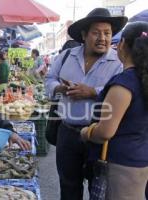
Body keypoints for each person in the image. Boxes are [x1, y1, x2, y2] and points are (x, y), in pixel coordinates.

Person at [45, 8, 127, 200]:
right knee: (68, 186)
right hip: (67, 132)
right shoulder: (66, 57)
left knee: (97, 189)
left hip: (98, 136)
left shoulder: (118, 62)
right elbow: (49, 80)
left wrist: (92, 92)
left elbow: (122, 91)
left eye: (107, 33)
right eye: (96, 32)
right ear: (84, 35)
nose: (102, 38)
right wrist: (60, 89)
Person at [81, 21, 148, 200]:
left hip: (121, 166)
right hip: (140, 160)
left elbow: (106, 131)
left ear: (123, 45)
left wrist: (86, 132)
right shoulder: (141, 79)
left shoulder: (124, 84)